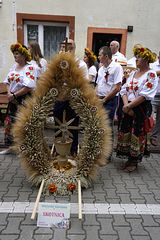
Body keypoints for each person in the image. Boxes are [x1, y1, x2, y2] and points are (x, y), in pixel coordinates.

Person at [116, 47, 158, 172]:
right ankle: (129, 157)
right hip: (128, 105)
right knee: (126, 130)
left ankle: (134, 160)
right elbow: (124, 89)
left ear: (146, 59)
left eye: (138, 57)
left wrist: (129, 106)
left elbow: (145, 95)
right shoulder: (133, 73)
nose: (136, 59)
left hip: (141, 108)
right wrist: (125, 105)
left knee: (137, 132)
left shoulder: (151, 74)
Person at [53, 39, 88, 157]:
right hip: (59, 99)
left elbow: (84, 82)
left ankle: (73, 150)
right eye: (63, 46)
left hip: (73, 99)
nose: (66, 49)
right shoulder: (57, 63)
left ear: (74, 48)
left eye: (70, 47)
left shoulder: (81, 64)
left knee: (73, 125)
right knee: (57, 124)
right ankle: (58, 150)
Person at [1, 42, 36, 154]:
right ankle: (10, 147)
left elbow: (29, 86)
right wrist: (9, 93)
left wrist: (15, 95)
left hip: (23, 99)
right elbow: (7, 81)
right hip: (12, 98)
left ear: (23, 55)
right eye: (14, 54)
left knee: (23, 123)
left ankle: (24, 149)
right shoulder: (14, 67)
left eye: (17, 54)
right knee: (10, 122)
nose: (14, 56)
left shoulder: (30, 68)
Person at [96, 46, 123, 123]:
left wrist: (104, 100)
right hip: (99, 99)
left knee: (107, 124)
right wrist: (95, 97)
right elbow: (98, 85)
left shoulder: (117, 67)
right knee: (99, 124)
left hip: (110, 100)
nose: (98, 57)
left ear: (106, 56)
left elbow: (117, 87)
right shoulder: (101, 69)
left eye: (100, 55)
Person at [150, 52, 160, 146]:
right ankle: (146, 135)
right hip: (153, 94)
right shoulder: (153, 65)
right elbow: (150, 75)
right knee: (150, 116)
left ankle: (154, 137)